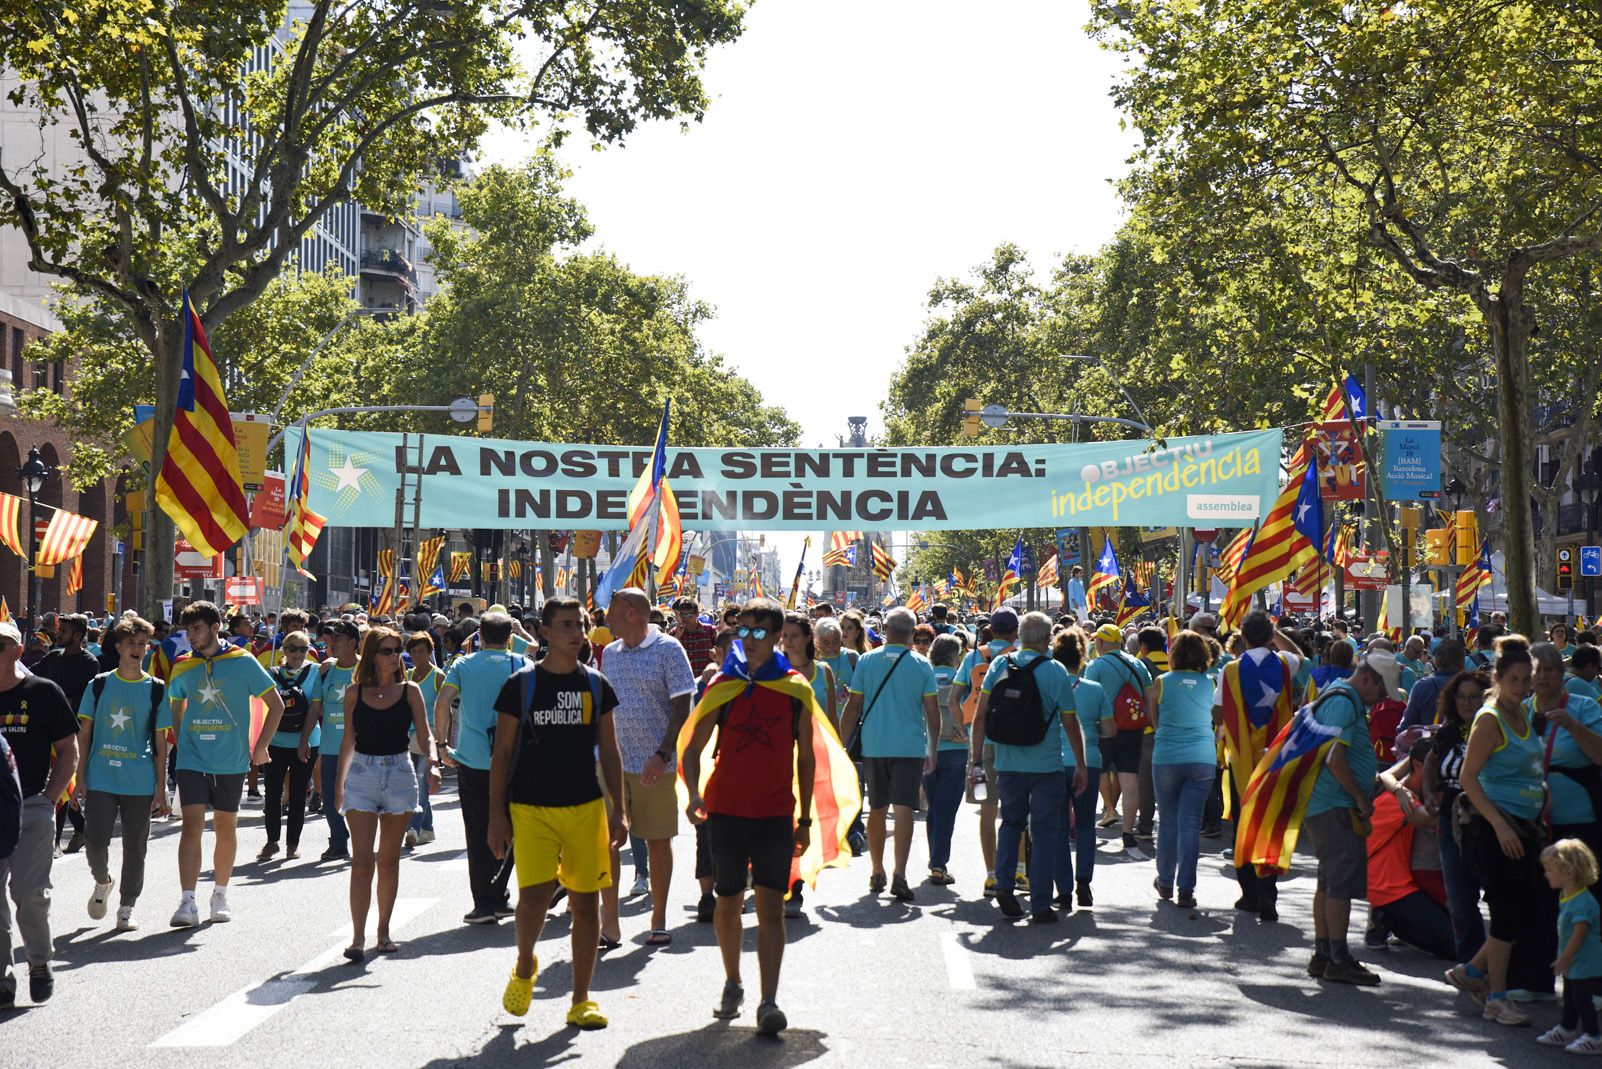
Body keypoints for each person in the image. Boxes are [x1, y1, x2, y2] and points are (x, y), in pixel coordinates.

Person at [488, 596, 626, 1030]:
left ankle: (581, 1000)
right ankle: (526, 963)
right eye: (566, 625)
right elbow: (502, 753)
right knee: (533, 899)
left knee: (586, 906)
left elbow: (611, 751)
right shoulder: (521, 685)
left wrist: (618, 809)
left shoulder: (596, 685)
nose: (576, 632)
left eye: (580, 624)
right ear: (544, 632)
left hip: (585, 808)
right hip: (531, 809)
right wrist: (496, 816)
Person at [681, 599, 816, 1035]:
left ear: (779, 637)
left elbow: (808, 759)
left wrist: (806, 820)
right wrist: (694, 793)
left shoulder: (796, 689)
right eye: (744, 631)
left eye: (760, 632)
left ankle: (769, 1000)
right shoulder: (725, 684)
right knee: (728, 901)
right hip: (725, 811)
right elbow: (693, 745)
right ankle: (733, 980)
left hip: (777, 812)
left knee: (771, 908)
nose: (751, 640)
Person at [1446, 636, 1548, 1026]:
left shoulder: (1524, 712)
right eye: (1515, 680)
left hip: (1526, 825)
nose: (1522, 687)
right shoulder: (1489, 719)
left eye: (1527, 680)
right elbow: (1468, 778)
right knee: (1507, 916)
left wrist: (1543, 792)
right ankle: (1497, 998)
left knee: (1521, 913)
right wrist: (1500, 825)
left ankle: (1470, 972)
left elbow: (1528, 764)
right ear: (1498, 678)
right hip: (1495, 828)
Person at [165, 602, 284, 927]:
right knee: (191, 827)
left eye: (197, 629)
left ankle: (220, 893)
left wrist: (260, 747)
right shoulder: (182, 666)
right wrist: (181, 739)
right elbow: (175, 703)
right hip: (191, 760)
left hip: (230, 760)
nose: (191, 636)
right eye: (188, 630)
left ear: (215, 628)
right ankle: (187, 901)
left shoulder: (242, 662)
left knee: (224, 827)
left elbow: (276, 704)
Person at [969, 611, 1084, 922]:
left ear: (1020, 635)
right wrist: (1081, 765)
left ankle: (1004, 883)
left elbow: (980, 716)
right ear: (1047, 639)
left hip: (1007, 762)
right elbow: (1070, 723)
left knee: (1011, 824)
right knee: (1045, 832)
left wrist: (976, 758)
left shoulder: (999, 665)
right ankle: (1041, 903)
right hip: (1046, 764)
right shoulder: (1056, 670)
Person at [600, 588, 697, 946]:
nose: (605, 616)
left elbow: (681, 707)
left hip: (655, 765)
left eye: (610, 609)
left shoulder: (670, 649)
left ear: (629, 611)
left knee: (657, 842)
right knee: (608, 841)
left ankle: (658, 918)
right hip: (611, 763)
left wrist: (662, 753)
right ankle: (609, 924)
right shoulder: (609, 653)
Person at [336, 627, 438, 960]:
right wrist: (339, 785)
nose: (395, 656)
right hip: (362, 775)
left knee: (389, 861)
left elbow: (425, 735)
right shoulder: (354, 692)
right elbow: (348, 740)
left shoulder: (410, 691)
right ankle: (356, 938)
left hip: (399, 774)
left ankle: (383, 932)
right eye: (388, 651)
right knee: (361, 861)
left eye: (398, 651)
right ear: (371, 655)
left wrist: (434, 763)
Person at [74, 616, 170, 930]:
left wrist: (161, 787)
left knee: (135, 847)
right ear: (119, 647)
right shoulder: (98, 684)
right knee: (96, 841)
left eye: (143, 644)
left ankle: (127, 906)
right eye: (131, 644)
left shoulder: (156, 689)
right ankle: (103, 881)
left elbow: (159, 742)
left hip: (140, 780)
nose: (138, 649)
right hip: (101, 775)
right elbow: (83, 735)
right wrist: (79, 777)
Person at [0, 618, 78, 1005]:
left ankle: (39, 962)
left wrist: (49, 798)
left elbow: (68, 750)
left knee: (29, 893)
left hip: (31, 805)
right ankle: (2, 977)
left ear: (17, 650)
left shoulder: (43, 691)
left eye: (0, 645)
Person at [1300, 654, 1391, 985]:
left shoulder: (1342, 695)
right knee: (1339, 883)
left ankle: (1324, 953)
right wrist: (1359, 796)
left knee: (1328, 881)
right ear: (1368, 679)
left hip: (1328, 804)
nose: (1382, 699)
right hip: (1334, 804)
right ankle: (1337, 958)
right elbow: (1334, 757)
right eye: (1381, 691)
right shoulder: (1345, 702)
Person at [840, 607, 939, 903]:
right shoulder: (922, 664)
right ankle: (900, 873)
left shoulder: (868, 661)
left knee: (878, 809)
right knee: (905, 809)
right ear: (912, 632)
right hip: (909, 747)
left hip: (874, 745)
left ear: (885, 629)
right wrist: (932, 749)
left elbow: (853, 707)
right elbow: (932, 713)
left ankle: (876, 869)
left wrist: (842, 746)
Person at [435, 610, 528, 924]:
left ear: (480, 637)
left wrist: (442, 745)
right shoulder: (522, 664)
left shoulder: (462, 665)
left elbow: (442, 702)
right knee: (513, 829)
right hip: (515, 761)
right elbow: (535, 650)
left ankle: (484, 904)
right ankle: (501, 895)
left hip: (473, 758)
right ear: (510, 638)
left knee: (477, 831)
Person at [1215, 611, 1302, 921]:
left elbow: (1218, 710)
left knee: (1244, 825)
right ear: (1268, 637)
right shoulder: (1284, 664)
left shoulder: (1230, 670)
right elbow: (1298, 654)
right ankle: (1268, 892)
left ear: (1244, 639)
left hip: (1242, 762)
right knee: (1270, 822)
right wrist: (1275, 634)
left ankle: (1249, 895)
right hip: (1275, 757)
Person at [1422, 670, 1492, 963]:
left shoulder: (1496, 728)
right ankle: (1471, 963)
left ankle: (1497, 966)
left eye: (1473, 696)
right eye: (1461, 697)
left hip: (1488, 816)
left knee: (1500, 898)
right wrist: (1427, 793)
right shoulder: (1449, 730)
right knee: (1460, 900)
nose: (1466, 703)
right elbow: (1431, 760)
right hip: (1451, 817)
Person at [1148, 630, 1217, 909]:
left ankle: (1165, 881)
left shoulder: (1161, 681)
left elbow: (1154, 720)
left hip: (1167, 756)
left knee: (1168, 821)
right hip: (1202, 757)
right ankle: (1185, 888)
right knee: (1190, 824)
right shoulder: (1210, 682)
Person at [1367, 740, 1454, 959]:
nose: (1441, 774)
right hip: (1390, 889)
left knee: (1458, 934)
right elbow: (1433, 820)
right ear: (1416, 765)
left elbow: (1389, 774)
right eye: (1436, 766)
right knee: (1456, 946)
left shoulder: (1401, 792)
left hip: (1400, 884)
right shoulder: (1400, 801)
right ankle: (1389, 918)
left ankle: (1395, 922)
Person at [952, 611, 1017, 894]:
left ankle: (991, 874)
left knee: (986, 810)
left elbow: (954, 699)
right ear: (1016, 630)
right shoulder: (1025, 655)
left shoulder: (973, 657)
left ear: (990, 630)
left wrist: (964, 732)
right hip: (1020, 745)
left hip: (980, 744)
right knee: (1018, 811)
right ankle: (1021, 871)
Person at [778, 613, 837, 915]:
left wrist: (838, 753)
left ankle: (795, 884)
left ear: (807, 639)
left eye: (794, 635)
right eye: (784, 635)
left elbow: (831, 718)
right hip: (780, 755)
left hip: (815, 757)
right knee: (780, 820)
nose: (788, 641)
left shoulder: (823, 671)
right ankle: (783, 883)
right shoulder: (774, 670)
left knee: (805, 821)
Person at [1051, 626, 1111, 908]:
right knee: (1086, 824)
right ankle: (1083, 881)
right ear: (1082, 656)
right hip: (1090, 761)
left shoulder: (1049, 687)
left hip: (1053, 762)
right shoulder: (1094, 689)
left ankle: (1062, 889)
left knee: (1059, 826)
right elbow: (1110, 729)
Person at [1085, 622, 1152, 860]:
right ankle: (1128, 833)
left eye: (1096, 641)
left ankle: (1094, 822)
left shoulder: (1096, 665)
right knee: (1129, 779)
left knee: (1094, 775)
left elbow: (1089, 695)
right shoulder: (1137, 663)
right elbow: (1149, 696)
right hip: (1134, 729)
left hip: (1104, 729)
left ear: (1101, 642)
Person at [37, 614, 98, 854]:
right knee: (59, 782)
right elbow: (29, 676)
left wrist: (57, 700)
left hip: (73, 734)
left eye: (64, 631)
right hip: (46, 730)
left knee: (62, 781)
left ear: (79, 635)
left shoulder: (89, 663)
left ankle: (54, 840)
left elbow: (87, 700)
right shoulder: (52, 657)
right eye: (59, 629)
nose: (59, 634)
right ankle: (81, 828)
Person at [1538, 839, 1602, 1053]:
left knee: (1582, 998)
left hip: (1585, 960)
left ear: (1568, 872)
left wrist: (1565, 957)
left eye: (1549, 870)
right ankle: (1567, 1029)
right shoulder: (1567, 895)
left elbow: (1580, 932)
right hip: (1575, 959)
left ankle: (1594, 1036)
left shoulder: (1582, 901)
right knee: (1570, 995)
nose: (1546, 874)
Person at [304, 619, 360, 861]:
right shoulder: (324, 672)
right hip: (330, 747)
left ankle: (361, 842)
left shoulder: (367, 670)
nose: (331, 643)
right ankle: (338, 841)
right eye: (330, 638)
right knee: (329, 800)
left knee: (359, 800)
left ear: (353, 643)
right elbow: (315, 708)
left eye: (337, 638)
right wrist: (304, 740)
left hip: (362, 749)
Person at [260, 631, 317, 861]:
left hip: (308, 742)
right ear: (284, 650)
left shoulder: (316, 671)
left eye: (303, 649)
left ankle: (292, 845)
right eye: (293, 648)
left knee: (297, 795)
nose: (298, 653)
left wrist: (304, 741)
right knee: (272, 794)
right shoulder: (271, 674)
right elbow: (262, 709)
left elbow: (315, 707)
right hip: (276, 742)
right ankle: (271, 841)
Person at [923, 632, 968, 887]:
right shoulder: (960, 679)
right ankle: (939, 863)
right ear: (955, 655)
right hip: (956, 748)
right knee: (946, 810)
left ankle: (935, 859)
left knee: (934, 806)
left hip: (929, 748)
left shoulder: (925, 677)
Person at [405, 631, 444, 847]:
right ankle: (427, 829)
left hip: (429, 734)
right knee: (415, 782)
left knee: (419, 783)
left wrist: (443, 740)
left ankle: (413, 827)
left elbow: (445, 710)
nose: (417, 655)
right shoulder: (408, 675)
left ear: (430, 652)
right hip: (408, 734)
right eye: (413, 652)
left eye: (421, 651)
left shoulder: (438, 676)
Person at [1401, 639, 1466, 729]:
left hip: (1429, 739)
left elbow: (1407, 724)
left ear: (1436, 661)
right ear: (1462, 661)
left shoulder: (1422, 686)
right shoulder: (1472, 685)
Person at [670, 597, 717, 678]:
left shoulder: (710, 631)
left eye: (689, 615)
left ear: (697, 614)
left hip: (705, 683)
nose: (686, 619)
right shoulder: (674, 633)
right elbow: (666, 657)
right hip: (683, 684)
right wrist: (677, 637)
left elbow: (721, 656)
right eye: (683, 615)